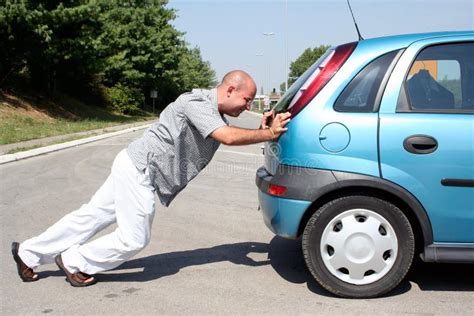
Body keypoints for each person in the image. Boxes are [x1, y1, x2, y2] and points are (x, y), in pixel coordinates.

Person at [11, 70, 291, 287]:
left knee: (90, 217)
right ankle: (74, 260)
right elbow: (227, 137)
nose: (247, 105)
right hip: (140, 170)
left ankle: (28, 253)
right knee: (135, 238)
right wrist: (268, 134)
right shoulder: (195, 101)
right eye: (246, 99)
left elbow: (228, 133)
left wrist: (259, 129)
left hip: (134, 165)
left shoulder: (213, 113)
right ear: (230, 89)